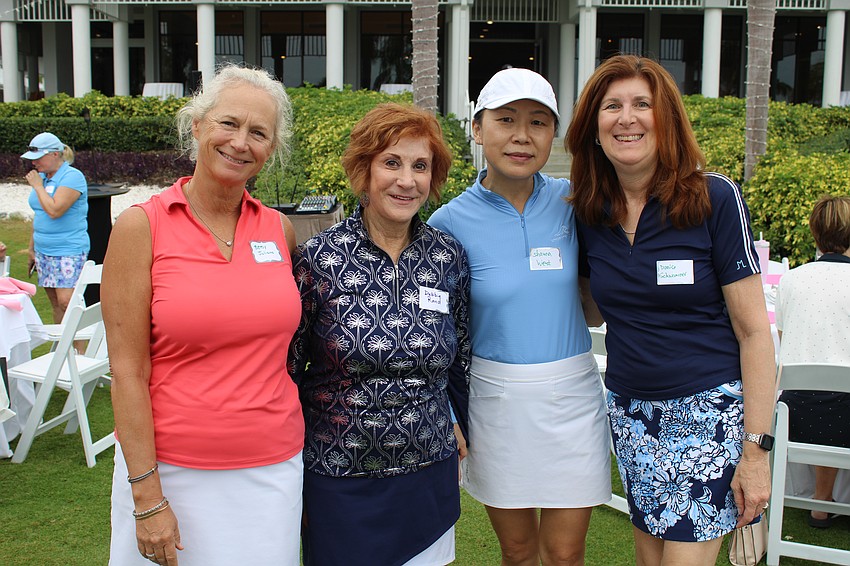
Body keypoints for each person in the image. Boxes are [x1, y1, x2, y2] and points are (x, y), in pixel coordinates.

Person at [567, 54, 776, 565]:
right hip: (633, 415)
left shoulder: (713, 198)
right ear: (594, 127)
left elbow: (754, 333)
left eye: (643, 104)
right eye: (612, 106)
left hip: (708, 415)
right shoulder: (590, 211)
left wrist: (756, 452)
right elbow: (590, 311)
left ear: (668, 120)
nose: (627, 117)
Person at [102, 64, 304, 566]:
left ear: (271, 149)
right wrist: (147, 496)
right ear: (196, 126)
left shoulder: (279, 231)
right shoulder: (140, 228)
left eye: (259, 133)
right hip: (171, 473)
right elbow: (128, 372)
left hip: (272, 469)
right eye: (228, 124)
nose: (241, 142)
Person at [428, 68, 612, 566]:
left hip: (572, 395)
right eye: (505, 120)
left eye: (537, 122)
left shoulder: (576, 200)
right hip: (495, 400)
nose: (521, 136)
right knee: (518, 552)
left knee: (566, 554)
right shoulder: (446, 224)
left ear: (554, 133)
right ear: (477, 127)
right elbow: (432, 335)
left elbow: (600, 290)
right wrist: (446, 413)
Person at [288, 102, 470, 566]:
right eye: (392, 162)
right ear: (363, 170)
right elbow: (288, 367)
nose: (406, 180)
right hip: (340, 477)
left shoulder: (447, 257)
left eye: (420, 166)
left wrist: (457, 419)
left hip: (428, 471)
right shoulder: (319, 259)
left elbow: (461, 356)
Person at [775, 194, 850, 529]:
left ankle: (821, 500)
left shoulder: (791, 280)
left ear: (815, 233)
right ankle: (827, 500)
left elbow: (785, 344)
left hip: (795, 414)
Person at [21, 132, 89, 324]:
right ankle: (64, 350)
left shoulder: (72, 177)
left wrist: (38, 186)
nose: (34, 163)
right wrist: (31, 248)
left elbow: (55, 210)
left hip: (68, 250)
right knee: (55, 303)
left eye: (38, 158)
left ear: (55, 154)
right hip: (44, 250)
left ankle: (80, 350)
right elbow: (40, 213)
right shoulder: (43, 178)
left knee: (68, 303)